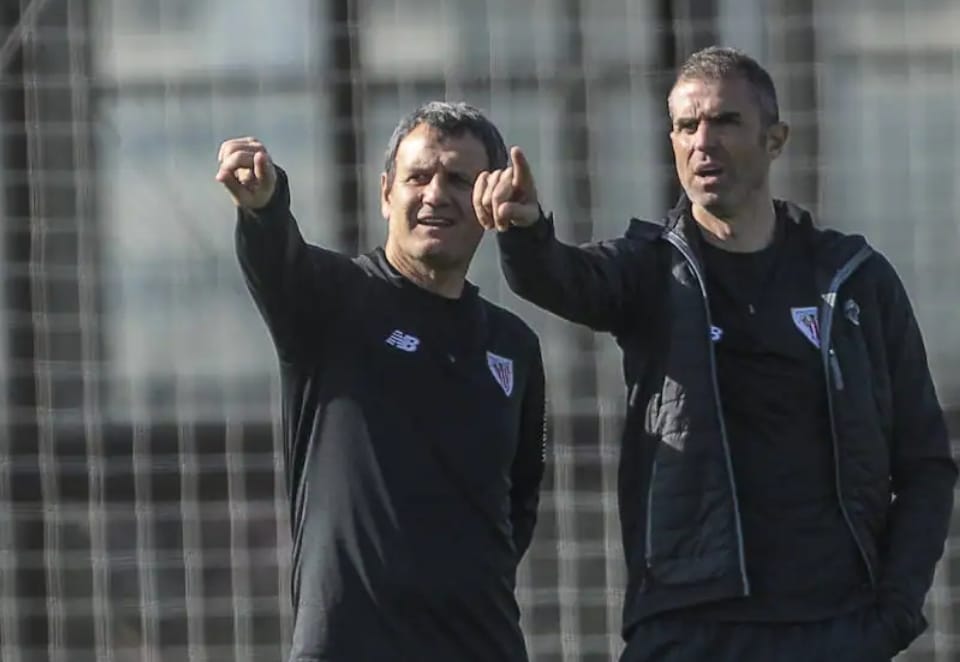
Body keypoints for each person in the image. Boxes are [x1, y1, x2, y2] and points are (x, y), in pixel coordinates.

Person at [473, 46, 957, 661]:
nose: (703, 141)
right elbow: (563, 278)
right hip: (686, 624)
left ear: (775, 139)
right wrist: (525, 233)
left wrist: (894, 612)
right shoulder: (650, 271)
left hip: (833, 622)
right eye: (685, 125)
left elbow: (924, 464)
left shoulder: (854, 279)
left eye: (725, 121)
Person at [216, 101, 546, 662]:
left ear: (488, 202)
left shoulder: (513, 345)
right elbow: (277, 258)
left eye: (457, 179)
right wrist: (264, 207)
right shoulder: (332, 300)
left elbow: (519, 504)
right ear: (386, 191)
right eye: (418, 177)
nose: (435, 194)